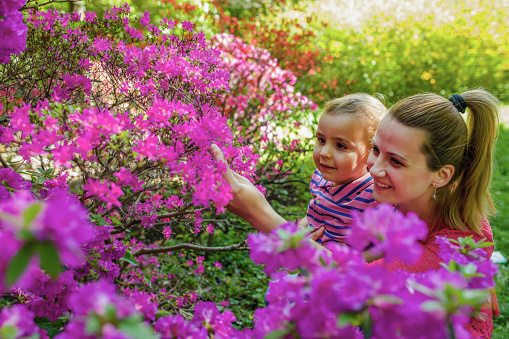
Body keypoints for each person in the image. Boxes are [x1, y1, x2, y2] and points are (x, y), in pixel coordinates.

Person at [211, 88, 500, 338]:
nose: (373, 169)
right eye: (376, 149)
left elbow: (352, 282)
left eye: (396, 161)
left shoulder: (459, 241)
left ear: (441, 175)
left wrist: (262, 216)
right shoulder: (389, 195)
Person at [303, 94, 386, 247]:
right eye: (321, 140)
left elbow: (381, 250)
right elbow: (315, 212)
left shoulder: (373, 198)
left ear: (371, 151)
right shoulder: (320, 177)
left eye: (340, 146)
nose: (324, 153)